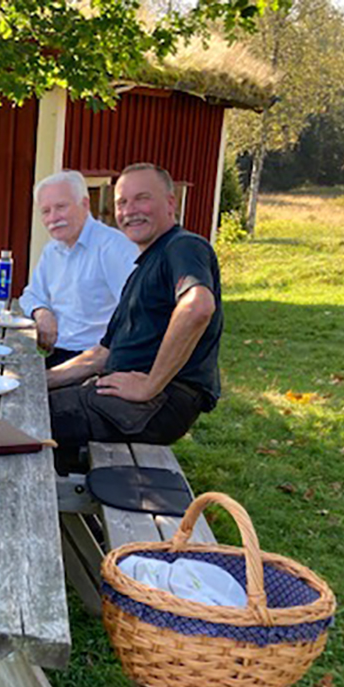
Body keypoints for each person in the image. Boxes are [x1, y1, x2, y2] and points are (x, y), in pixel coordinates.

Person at [46, 163, 223, 472]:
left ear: (170, 203)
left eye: (142, 198)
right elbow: (102, 355)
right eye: (122, 203)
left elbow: (197, 306)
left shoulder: (183, 246)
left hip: (158, 403)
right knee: (29, 404)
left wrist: (149, 385)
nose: (129, 211)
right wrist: (39, 381)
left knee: (29, 417)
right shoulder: (143, 267)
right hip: (129, 396)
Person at [19, 170, 137, 367]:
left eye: (61, 207)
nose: (53, 218)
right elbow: (31, 295)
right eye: (46, 211)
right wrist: (41, 312)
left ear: (85, 204)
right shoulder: (52, 250)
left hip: (95, 360)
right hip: (55, 352)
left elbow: (135, 315)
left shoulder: (113, 248)